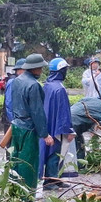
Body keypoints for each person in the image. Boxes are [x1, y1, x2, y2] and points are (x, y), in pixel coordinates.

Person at [9, 53, 53, 190]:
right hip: (29, 129)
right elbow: (37, 112)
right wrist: (45, 134)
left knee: (15, 160)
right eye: (40, 68)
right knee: (28, 163)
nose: (41, 71)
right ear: (34, 68)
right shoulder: (34, 85)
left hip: (16, 126)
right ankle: (26, 194)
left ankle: (14, 190)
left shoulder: (17, 80)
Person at [40, 57, 75, 187]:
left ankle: (53, 179)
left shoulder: (47, 85)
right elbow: (64, 111)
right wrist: (68, 130)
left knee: (50, 152)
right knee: (55, 153)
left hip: (48, 124)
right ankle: (50, 181)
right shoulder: (60, 88)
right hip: (57, 126)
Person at [4, 58, 25, 124]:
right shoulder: (13, 82)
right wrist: (13, 122)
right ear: (20, 70)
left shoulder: (20, 81)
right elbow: (9, 103)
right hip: (12, 121)